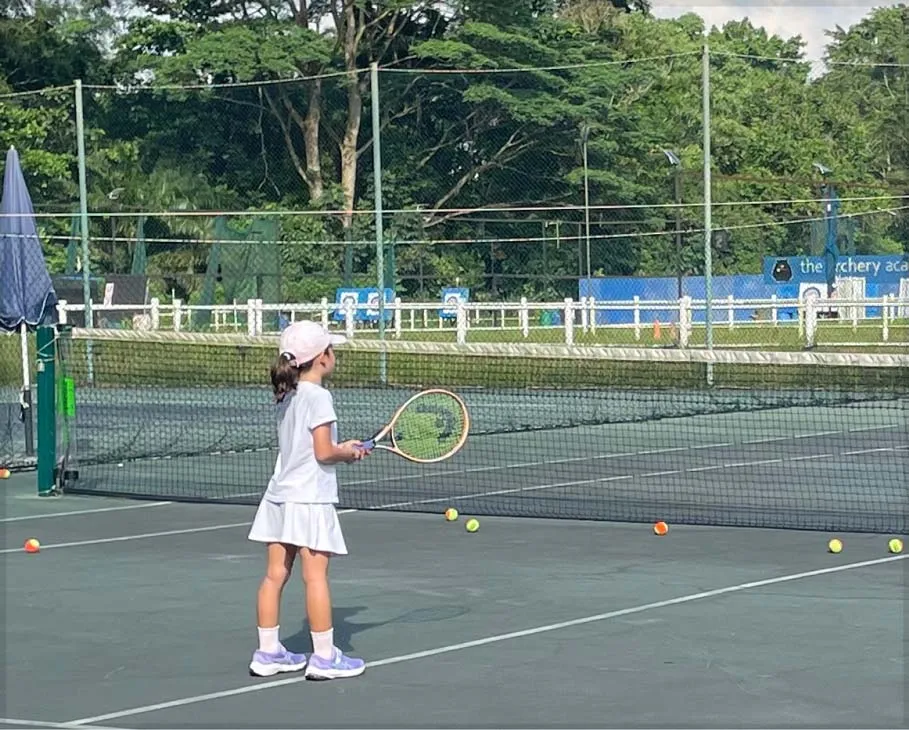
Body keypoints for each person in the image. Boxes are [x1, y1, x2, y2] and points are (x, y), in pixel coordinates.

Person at [247, 320, 370, 680]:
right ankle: (325, 657)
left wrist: (342, 449)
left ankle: (268, 652)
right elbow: (322, 452)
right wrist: (346, 452)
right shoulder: (319, 397)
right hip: (309, 499)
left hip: (279, 497)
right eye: (332, 349)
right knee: (315, 577)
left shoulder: (288, 393)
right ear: (321, 358)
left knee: (274, 576)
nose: (335, 354)